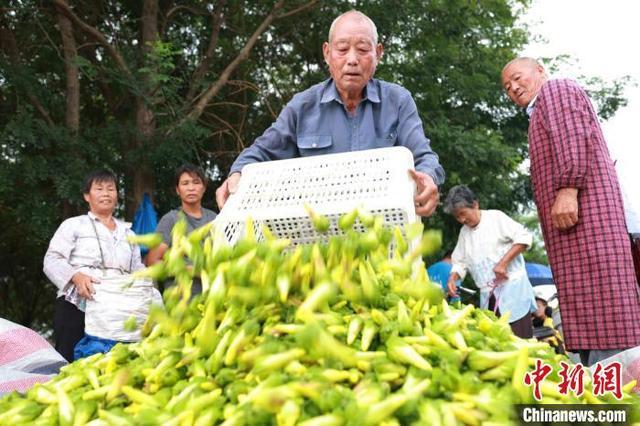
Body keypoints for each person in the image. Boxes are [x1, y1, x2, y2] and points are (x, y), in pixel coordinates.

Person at [215, 10, 444, 217]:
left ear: (378, 53)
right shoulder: (302, 106)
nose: (352, 60)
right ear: (327, 53)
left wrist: (428, 178)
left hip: (385, 231)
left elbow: (424, 157)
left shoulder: (398, 101)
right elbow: (261, 152)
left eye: (363, 50)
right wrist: (236, 175)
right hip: (317, 237)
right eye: (342, 49)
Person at [501, 57, 640, 366]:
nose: (513, 87)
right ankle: (606, 378)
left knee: (606, 301)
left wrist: (568, 188)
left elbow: (572, 137)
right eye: (507, 87)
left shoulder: (556, 89)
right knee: (592, 303)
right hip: (577, 224)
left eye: (517, 77)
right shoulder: (539, 110)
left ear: (539, 70)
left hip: (588, 217)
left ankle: (621, 383)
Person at [43, 170, 145, 362]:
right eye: (99, 188)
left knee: (114, 364)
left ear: (117, 195)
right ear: (87, 196)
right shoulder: (73, 225)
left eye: (111, 189)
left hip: (117, 310)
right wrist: (76, 276)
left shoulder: (128, 233)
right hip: (78, 305)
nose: (106, 193)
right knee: (68, 362)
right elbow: (52, 259)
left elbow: (138, 269)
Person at [444, 185, 537, 339]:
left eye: (463, 214)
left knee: (520, 342)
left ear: (475, 204)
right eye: (457, 217)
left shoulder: (495, 218)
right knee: (497, 342)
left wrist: (503, 263)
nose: (461, 220)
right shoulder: (464, 233)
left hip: (512, 292)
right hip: (489, 296)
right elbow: (460, 262)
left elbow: (524, 238)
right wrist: (453, 278)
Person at [146, 164, 217, 293]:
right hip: (180, 299)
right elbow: (152, 261)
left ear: (204, 188)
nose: (191, 188)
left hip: (213, 296)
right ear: (178, 190)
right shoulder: (170, 220)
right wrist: (187, 269)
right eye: (185, 183)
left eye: (196, 182)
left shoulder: (215, 219)